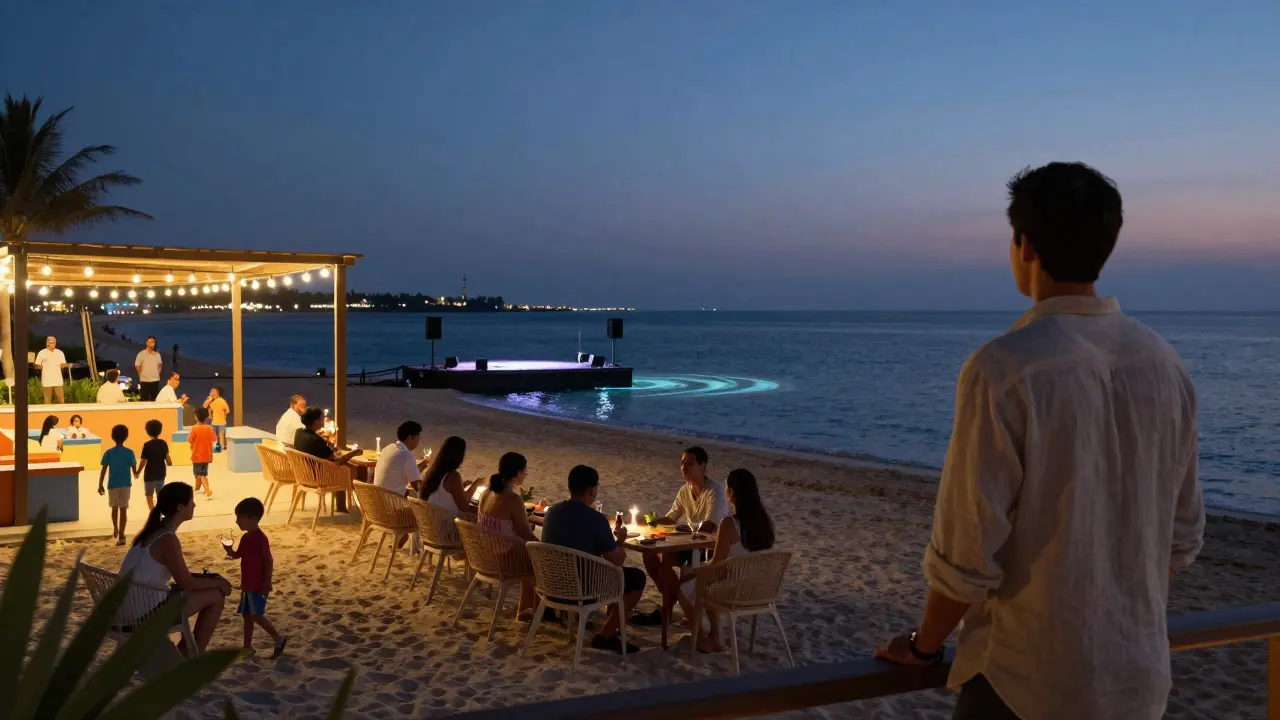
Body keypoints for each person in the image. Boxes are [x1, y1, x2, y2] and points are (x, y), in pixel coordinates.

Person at [873, 162, 1205, 720]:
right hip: (1138, 683)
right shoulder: (1165, 365)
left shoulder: (1004, 369)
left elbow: (967, 556)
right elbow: (1182, 536)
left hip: (1025, 687)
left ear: (1024, 245)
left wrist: (923, 645)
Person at [540, 465, 644, 654]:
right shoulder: (596, 519)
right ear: (591, 490)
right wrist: (620, 541)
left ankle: (609, 626)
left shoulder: (552, 512)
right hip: (582, 590)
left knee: (615, 574)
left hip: (550, 585)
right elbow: (617, 559)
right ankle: (606, 635)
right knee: (636, 578)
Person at [121, 482, 231, 655]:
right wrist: (218, 585)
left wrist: (212, 580)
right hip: (141, 615)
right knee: (216, 596)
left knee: (197, 590)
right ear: (181, 507)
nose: (194, 505)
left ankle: (185, 652)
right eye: (191, 501)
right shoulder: (167, 540)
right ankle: (190, 657)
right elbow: (185, 581)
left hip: (127, 607)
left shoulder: (152, 531)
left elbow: (181, 575)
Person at [682, 468, 775, 653]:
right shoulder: (766, 522)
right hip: (760, 590)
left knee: (685, 585)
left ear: (731, 493)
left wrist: (694, 571)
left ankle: (708, 637)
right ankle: (715, 635)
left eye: (727, 488)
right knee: (705, 579)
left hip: (734, 592)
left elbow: (716, 564)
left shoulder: (729, 524)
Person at [635, 446, 729, 627]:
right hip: (689, 544)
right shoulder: (684, 490)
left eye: (690, 463)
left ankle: (667, 608)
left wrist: (684, 527)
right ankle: (671, 597)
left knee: (667, 557)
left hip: (710, 547)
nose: (684, 467)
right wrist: (649, 520)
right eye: (682, 463)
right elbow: (670, 518)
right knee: (649, 554)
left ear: (703, 466)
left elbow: (710, 526)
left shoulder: (715, 490)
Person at [477, 452, 539, 620]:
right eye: (525, 470)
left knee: (533, 553)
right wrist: (543, 546)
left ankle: (529, 606)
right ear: (518, 473)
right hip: (503, 560)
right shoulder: (513, 499)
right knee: (537, 559)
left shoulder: (486, 493)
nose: (526, 474)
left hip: (483, 556)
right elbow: (526, 534)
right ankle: (525, 609)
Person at [225, 497, 287, 658]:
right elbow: (237, 555)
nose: (237, 521)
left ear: (252, 518)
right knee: (247, 615)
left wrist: (267, 582)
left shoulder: (261, 539)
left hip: (258, 584)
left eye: (240, 517)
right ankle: (247, 646)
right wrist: (228, 549)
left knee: (255, 614)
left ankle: (278, 638)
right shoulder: (245, 538)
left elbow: (268, 560)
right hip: (247, 584)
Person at [293, 407, 360, 512]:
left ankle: (342, 506)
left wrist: (321, 438)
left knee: (345, 468)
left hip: (304, 474)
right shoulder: (316, 441)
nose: (324, 420)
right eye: (321, 418)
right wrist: (354, 453)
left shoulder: (299, 433)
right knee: (354, 469)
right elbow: (337, 461)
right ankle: (362, 504)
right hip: (320, 477)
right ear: (316, 421)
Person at [97, 424, 137, 546]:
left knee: (114, 508)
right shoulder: (130, 452)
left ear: (112, 436)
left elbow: (103, 469)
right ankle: (122, 533)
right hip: (125, 484)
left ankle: (115, 527)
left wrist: (100, 484)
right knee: (123, 509)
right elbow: (134, 470)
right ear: (126, 436)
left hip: (112, 484)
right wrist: (138, 471)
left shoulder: (109, 453)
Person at [419, 435, 476, 514]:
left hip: (430, 522)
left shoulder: (432, 472)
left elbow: (442, 494)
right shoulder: (453, 476)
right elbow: (464, 507)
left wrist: (461, 486)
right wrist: (475, 485)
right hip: (446, 524)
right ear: (459, 456)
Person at [372, 420, 430, 494]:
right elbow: (417, 487)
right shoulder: (407, 455)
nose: (419, 440)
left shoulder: (387, 448)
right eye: (418, 437)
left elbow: (403, 471)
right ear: (410, 438)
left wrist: (420, 467)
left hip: (377, 497)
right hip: (392, 501)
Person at [137, 419, 172, 511]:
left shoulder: (147, 445)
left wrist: (137, 472)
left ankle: (153, 512)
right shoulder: (163, 443)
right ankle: (160, 510)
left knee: (149, 495)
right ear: (160, 430)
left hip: (149, 475)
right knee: (160, 494)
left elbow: (143, 461)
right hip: (161, 474)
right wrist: (169, 462)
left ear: (147, 431)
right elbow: (169, 461)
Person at [189, 407, 217, 499]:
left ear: (196, 417)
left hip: (197, 455)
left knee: (201, 474)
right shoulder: (209, 428)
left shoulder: (194, 429)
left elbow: (190, 441)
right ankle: (197, 488)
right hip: (207, 455)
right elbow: (213, 439)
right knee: (200, 472)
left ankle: (207, 490)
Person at [34, 336, 70, 403]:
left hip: (58, 380)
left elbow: (63, 364)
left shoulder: (60, 353)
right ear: (47, 343)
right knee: (47, 400)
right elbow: (37, 365)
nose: (53, 344)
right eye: (51, 342)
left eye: (54, 342)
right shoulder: (42, 353)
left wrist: (67, 365)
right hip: (47, 381)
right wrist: (38, 366)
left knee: (61, 400)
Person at [135, 336, 164, 402]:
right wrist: (141, 376)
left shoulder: (157, 355)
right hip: (145, 381)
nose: (152, 344)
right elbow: (137, 366)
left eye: (153, 342)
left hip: (155, 380)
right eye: (150, 342)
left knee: (155, 400)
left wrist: (157, 374)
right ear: (146, 343)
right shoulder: (141, 354)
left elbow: (160, 366)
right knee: (144, 401)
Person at [203, 386, 230, 453]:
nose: (211, 392)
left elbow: (227, 410)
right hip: (214, 421)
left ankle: (222, 448)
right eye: (211, 391)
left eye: (213, 391)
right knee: (213, 435)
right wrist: (209, 399)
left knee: (221, 435)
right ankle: (214, 448)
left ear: (218, 393)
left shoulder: (222, 401)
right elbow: (205, 406)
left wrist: (222, 414)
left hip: (221, 421)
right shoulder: (210, 400)